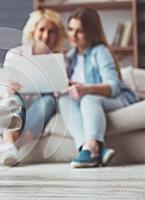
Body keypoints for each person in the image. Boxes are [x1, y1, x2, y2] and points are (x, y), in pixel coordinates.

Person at [58, 7, 139, 168]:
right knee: (64, 98)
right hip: (85, 102)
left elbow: (113, 86)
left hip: (116, 99)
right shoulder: (69, 57)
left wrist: (86, 89)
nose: (73, 35)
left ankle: (92, 148)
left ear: (90, 32)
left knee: (88, 99)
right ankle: (89, 149)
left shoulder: (100, 52)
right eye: (71, 29)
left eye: (79, 31)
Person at [0, 9, 66, 165]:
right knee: (13, 101)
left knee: (49, 101)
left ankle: (11, 148)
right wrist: (10, 87)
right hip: (19, 99)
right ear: (33, 30)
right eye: (42, 29)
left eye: (52, 31)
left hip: (42, 105)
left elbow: (62, 88)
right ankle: (10, 145)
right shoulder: (16, 54)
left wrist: (60, 90)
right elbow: (8, 86)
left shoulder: (61, 59)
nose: (46, 36)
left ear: (58, 35)